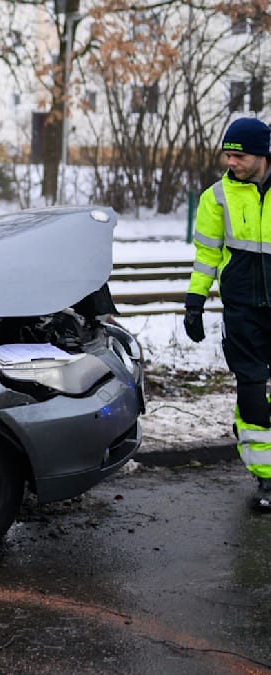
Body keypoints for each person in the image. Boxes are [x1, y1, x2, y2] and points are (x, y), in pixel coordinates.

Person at [184, 116, 271, 512]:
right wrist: (195, 302)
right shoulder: (216, 196)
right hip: (242, 312)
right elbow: (206, 256)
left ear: (262, 155)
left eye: (239, 155)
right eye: (228, 154)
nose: (231, 162)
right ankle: (266, 479)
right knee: (251, 391)